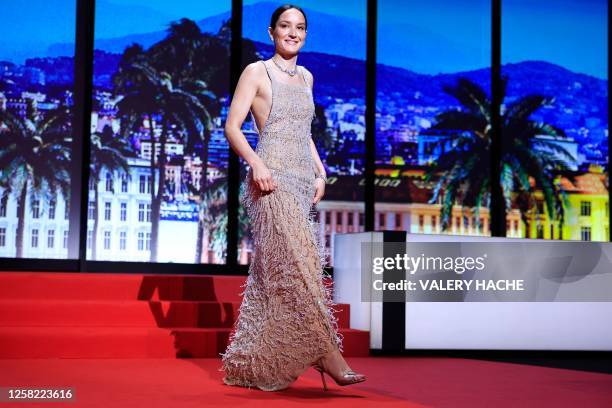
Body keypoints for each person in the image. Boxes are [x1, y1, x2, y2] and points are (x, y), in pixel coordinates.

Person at [220, 4, 366, 392]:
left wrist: (321, 172)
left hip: (301, 182)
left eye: (299, 27)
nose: (292, 32)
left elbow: (304, 133)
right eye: (285, 26)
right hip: (270, 182)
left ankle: (249, 363)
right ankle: (326, 352)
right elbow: (232, 128)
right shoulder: (257, 71)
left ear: (306, 34)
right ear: (271, 32)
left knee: (277, 278)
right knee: (303, 269)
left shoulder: (307, 77)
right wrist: (256, 164)